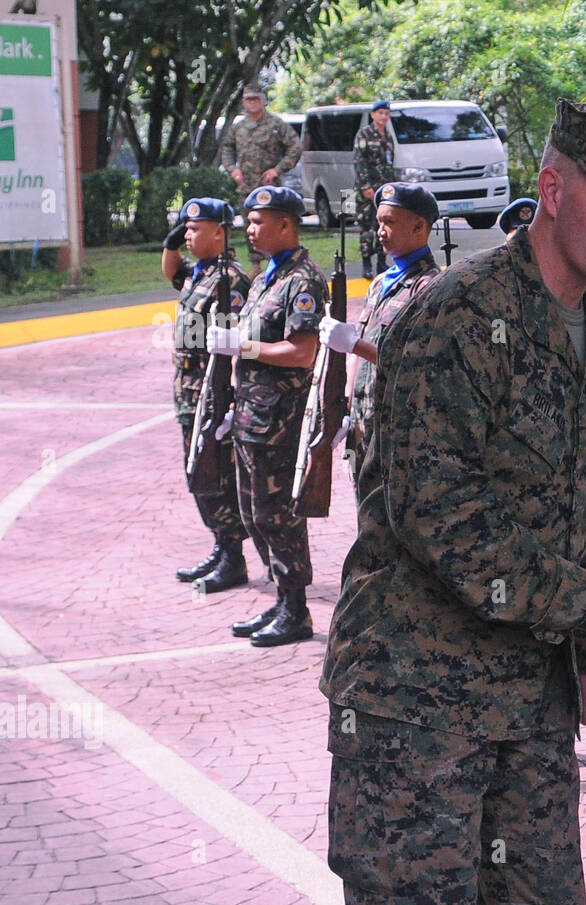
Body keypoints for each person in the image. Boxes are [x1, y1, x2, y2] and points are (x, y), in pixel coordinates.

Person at [319, 99, 586, 905]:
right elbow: (439, 514)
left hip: (530, 700)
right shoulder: (455, 315)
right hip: (417, 706)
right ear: (552, 189)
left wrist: (584, 648)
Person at [206, 186, 327, 648]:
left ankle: (297, 610)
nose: (251, 229)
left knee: (279, 517)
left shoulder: (303, 282)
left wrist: (243, 346)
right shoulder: (263, 279)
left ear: (286, 225)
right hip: (251, 416)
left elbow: (301, 353)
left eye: (260, 222)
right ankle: (281, 599)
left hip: (280, 421)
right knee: (253, 514)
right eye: (249, 221)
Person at [317, 181, 442, 497]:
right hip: (364, 425)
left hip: (400, 434)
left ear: (418, 226)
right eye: (379, 223)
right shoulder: (381, 284)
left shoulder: (430, 288)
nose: (380, 231)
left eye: (390, 222)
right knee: (365, 520)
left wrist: (353, 344)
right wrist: (346, 406)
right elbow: (359, 357)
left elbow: (418, 362)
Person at [161, 197, 252, 592]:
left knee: (214, 475)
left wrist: (229, 400)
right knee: (196, 471)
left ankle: (233, 557)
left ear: (220, 231)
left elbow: (238, 343)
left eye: (196, 229)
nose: (189, 236)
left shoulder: (229, 281)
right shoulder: (197, 275)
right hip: (187, 394)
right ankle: (221, 545)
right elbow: (171, 272)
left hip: (211, 395)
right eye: (187, 229)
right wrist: (172, 242)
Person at [219, 84, 302, 270]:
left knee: (275, 224)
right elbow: (227, 148)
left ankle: (281, 262)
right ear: (243, 103)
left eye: (256, 99)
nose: (253, 103)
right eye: (249, 99)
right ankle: (256, 266)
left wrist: (277, 169)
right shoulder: (238, 128)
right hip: (247, 186)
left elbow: (295, 147)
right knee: (251, 224)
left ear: (263, 101)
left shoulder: (276, 125)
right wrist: (233, 169)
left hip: (270, 187)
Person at [353, 100, 396, 279]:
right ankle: (366, 264)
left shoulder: (388, 135)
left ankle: (381, 261)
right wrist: (366, 187)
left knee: (383, 225)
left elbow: (390, 163)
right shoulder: (365, 134)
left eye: (386, 114)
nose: (384, 117)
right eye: (380, 113)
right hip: (367, 189)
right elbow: (359, 162)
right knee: (366, 227)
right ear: (372, 115)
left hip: (384, 190)